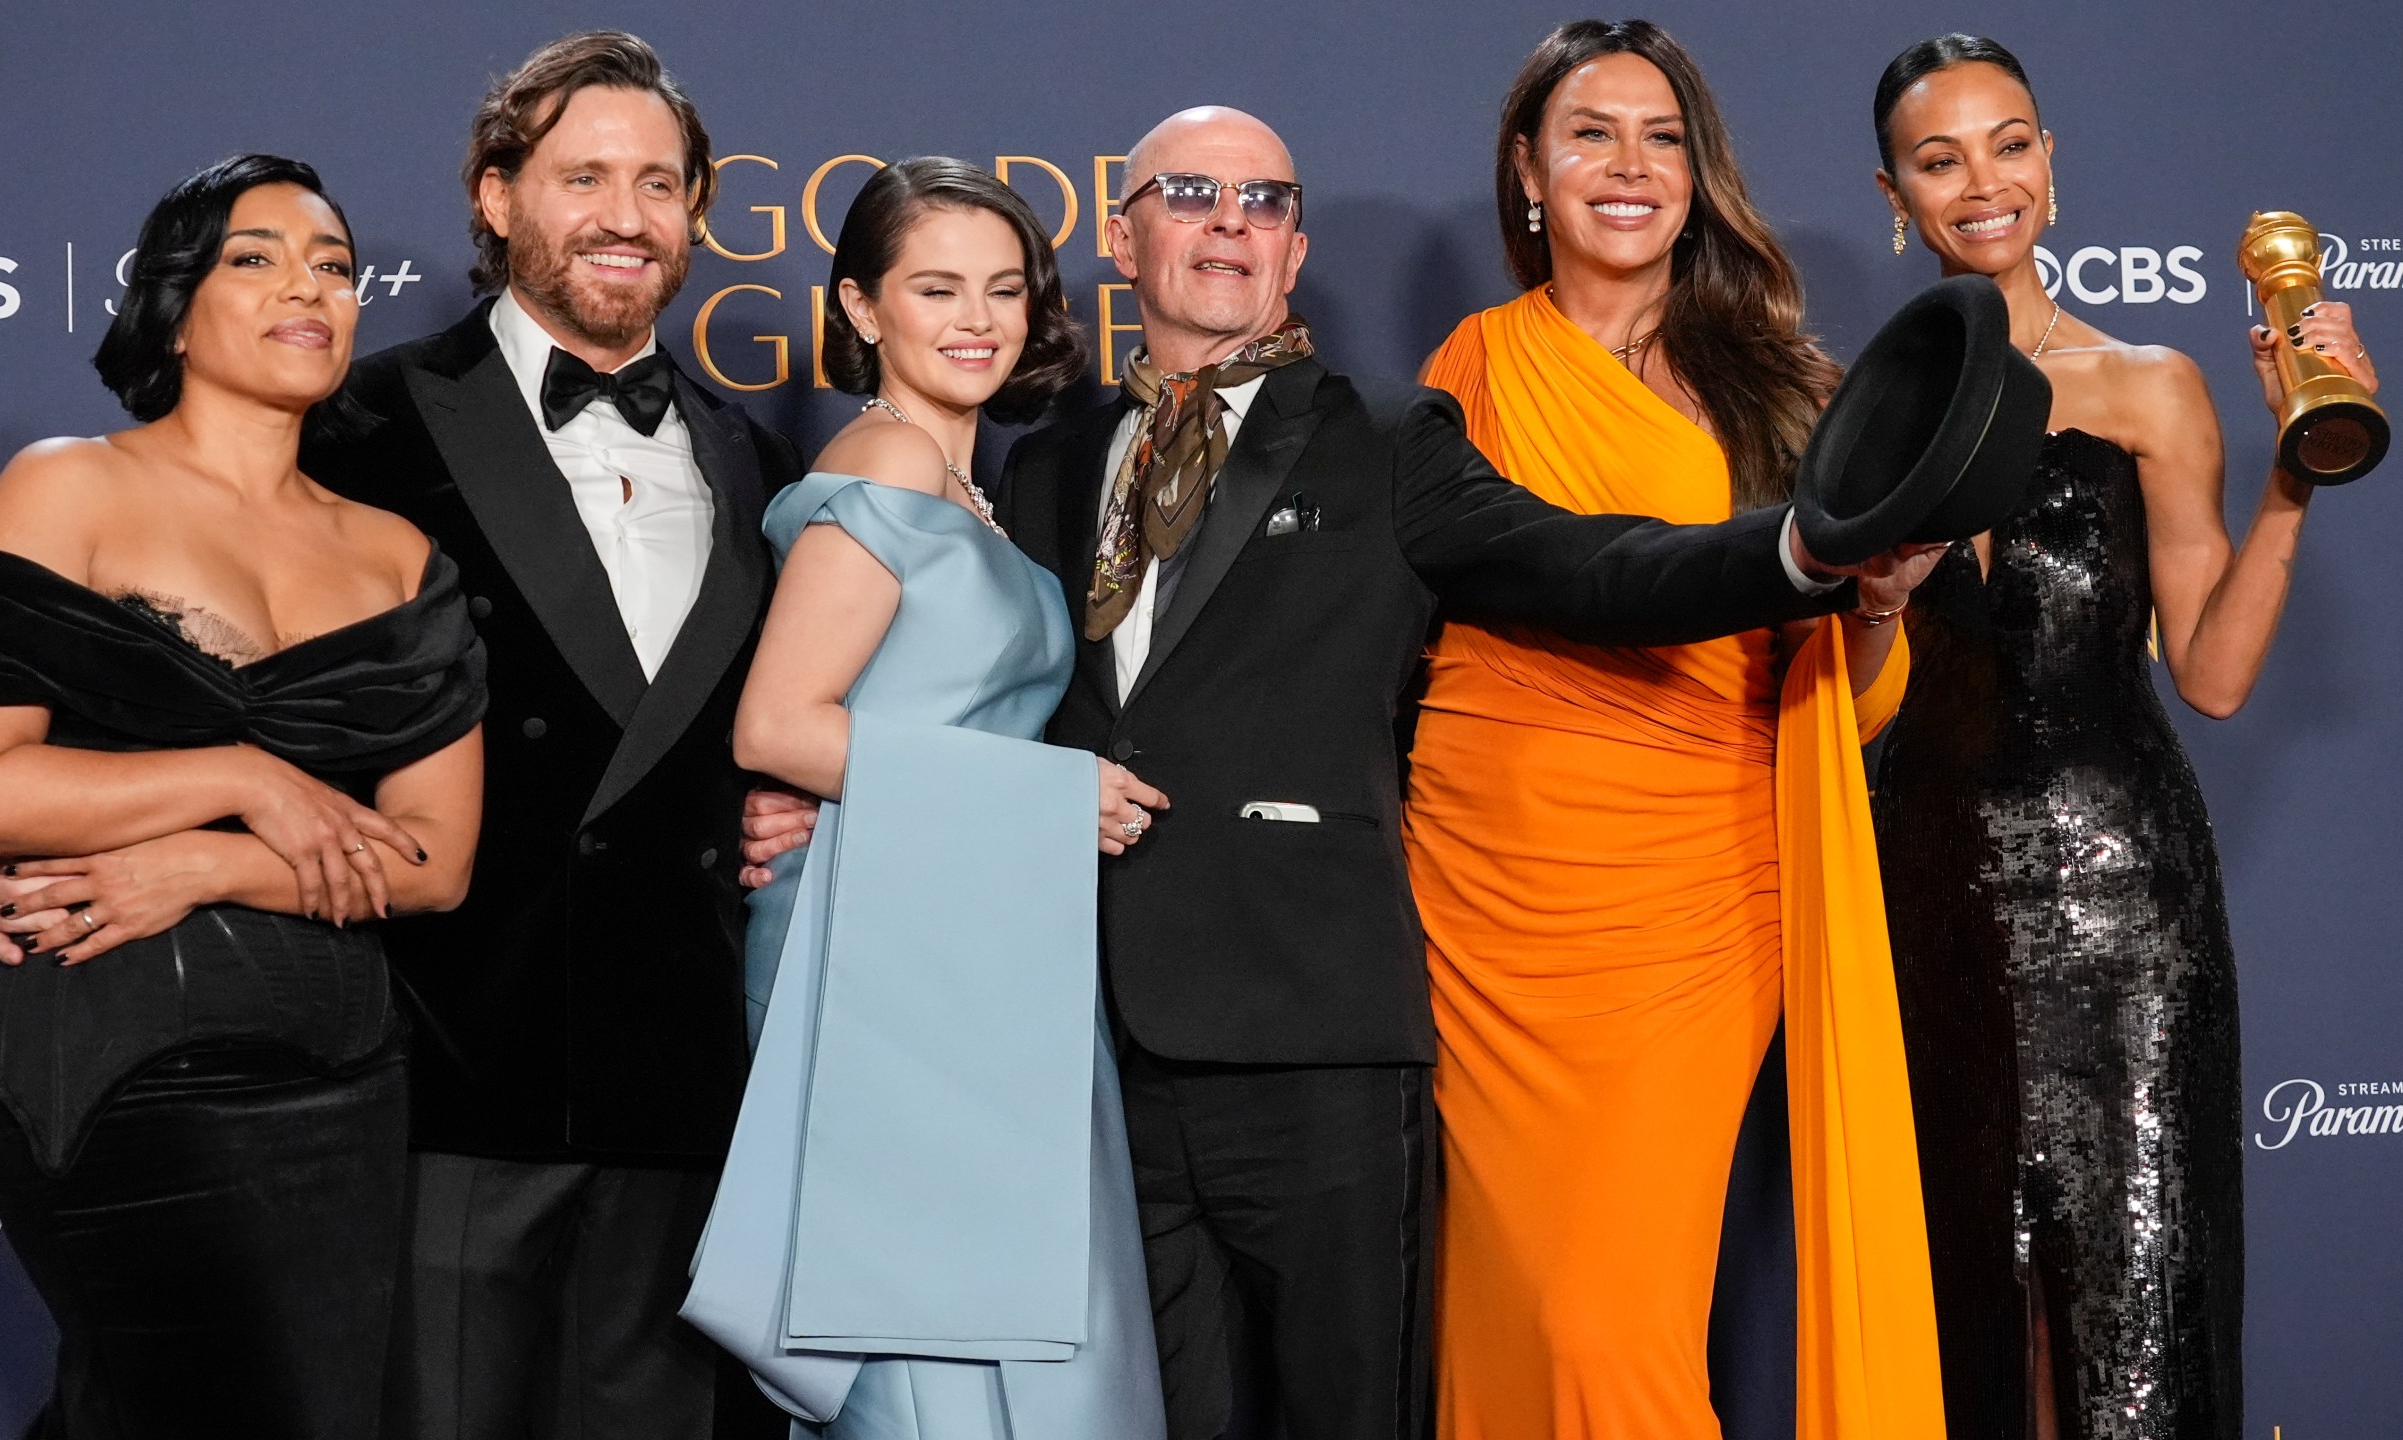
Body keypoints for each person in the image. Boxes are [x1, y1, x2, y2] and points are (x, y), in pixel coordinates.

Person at [751, 105, 1947, 1440]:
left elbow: (1594, 566)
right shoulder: (1043, 458)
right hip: (1082, 1054)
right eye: (1192, 192)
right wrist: (813, 795)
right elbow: (941, 691)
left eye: (1263, 202)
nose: (1227, 223)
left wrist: (1805, 557)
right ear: (1121, 230)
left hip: (1315, 1046)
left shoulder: (1385, 438)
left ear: (1295, 249)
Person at [0, 30, 797, 1439]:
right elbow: (171, 656)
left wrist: (807, 810)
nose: (625, 215)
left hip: (685, 1089)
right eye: (584, 175)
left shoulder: (747, 452)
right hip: (428, 1080)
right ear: (495, 194)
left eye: (661, 184)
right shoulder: (352, 411)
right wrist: (69, 840)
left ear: (699, 210)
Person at [1400, 20, 1948, 1438]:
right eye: (1592, 133)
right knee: (1506, 1304)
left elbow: (1857, 700)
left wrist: (1879, 605)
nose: (1630, 167)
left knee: (1604, 1318)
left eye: (1663, 138)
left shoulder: (1785, 387)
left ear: (1700, 174)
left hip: (1697, 896)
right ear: (1530, 168)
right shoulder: (1473, 362)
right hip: (1485, 883)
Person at [0, 154, 486, 1440]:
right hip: (118, 1067)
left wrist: (212, 862)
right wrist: (241, 780)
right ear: (175, 304)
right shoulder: (70, 487)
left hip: (345, 1075)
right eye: (257, 257)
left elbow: (436, 861)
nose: (310, 287)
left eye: (335, 267)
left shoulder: (399, 556)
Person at [1866, 34, 2377, 1440]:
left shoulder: (2150, 383)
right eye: (1940, 155)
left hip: (2125, 910)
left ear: (2050, 163)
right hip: (1928, 897)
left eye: (2011, 142)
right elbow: (1846, 698)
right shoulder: (1855, 414)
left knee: (2134, 1315)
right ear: (1895, 194)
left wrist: (2294, 480)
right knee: (1970, 1300)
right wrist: (1874, 606)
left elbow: (2211, 676)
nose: (1983, 181)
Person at [682, 155, 1166, 1440]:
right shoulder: (888, 465)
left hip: (974, 940)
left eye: (1003, 290)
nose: (977, 320)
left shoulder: (972, 488)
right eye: (936, 287)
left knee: (998, 1311)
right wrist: (1047, 796)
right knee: (926, 1327)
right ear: (859, 308)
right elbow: (777, 725)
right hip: (889, 953)